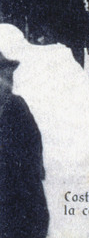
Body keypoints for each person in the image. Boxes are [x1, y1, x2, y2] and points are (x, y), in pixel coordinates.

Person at [0, 51, 49, 238]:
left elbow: (34, 146)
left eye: (8, 75)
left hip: (23, 206)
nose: (8, 81)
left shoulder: (16, 107)